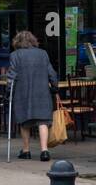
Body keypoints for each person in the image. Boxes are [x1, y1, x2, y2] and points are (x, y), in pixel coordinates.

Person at [6, 30, 58, 162]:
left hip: (23, 92)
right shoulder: (43, 54)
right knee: (43, 121)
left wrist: (8, 91)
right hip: (42, 92)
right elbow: (51, 72)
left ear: (17, 42)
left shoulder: (15, 55)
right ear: (33, 40)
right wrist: (54, 86)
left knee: (25, 121)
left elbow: (11, 75)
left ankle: (26, 150)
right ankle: (44, 151)